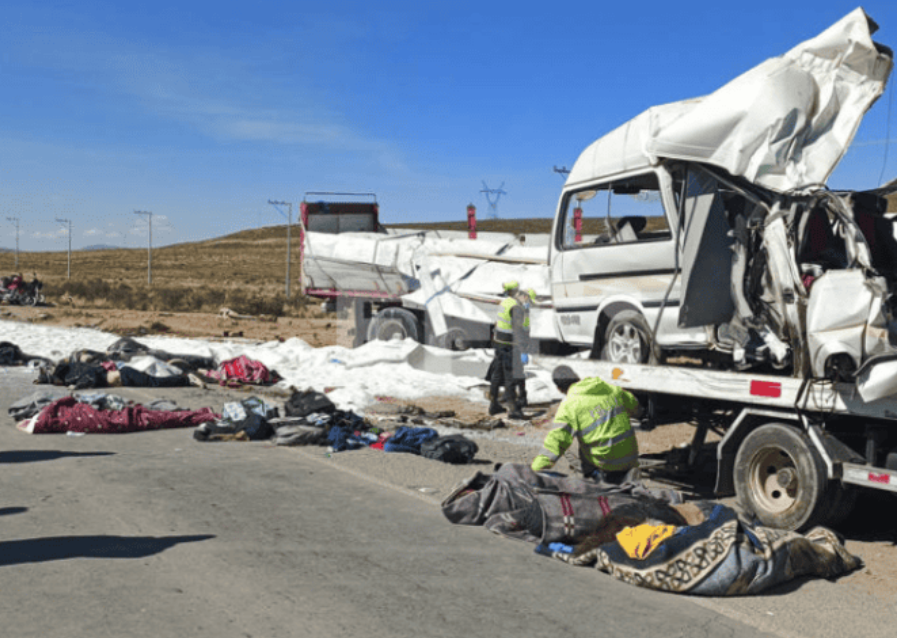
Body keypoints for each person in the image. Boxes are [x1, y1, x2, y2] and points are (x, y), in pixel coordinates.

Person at [531, 365, 640, 484]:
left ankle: (596, 478)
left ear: (559, 389)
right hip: (631, 458)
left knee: (583, 447)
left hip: (607, 464)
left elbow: (556, 442)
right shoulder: (608, 387)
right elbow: (634, 406)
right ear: (577, 377)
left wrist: (534, 470)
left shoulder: (569, 405)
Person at [489, 282, 535, 418]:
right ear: (524, 296)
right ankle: (513, 410)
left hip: (499, 342)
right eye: (529, 300)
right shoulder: (516, 308)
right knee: (511, 377)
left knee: (497, 374)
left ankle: (493, 405)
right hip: (510, 345)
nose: (529, 303)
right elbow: (518, 331)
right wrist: (523, 351)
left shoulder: (506, 302)